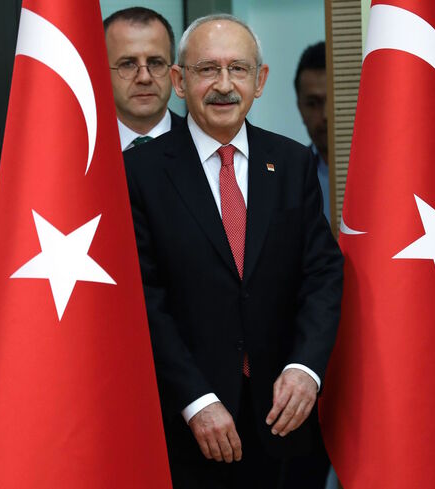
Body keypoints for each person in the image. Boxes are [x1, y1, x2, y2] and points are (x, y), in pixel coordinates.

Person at [124, 14, 343, 488]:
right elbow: (143, 300)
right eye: (207, 70)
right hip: (185, 426)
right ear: (180, 82)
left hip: (282, 421)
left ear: (259, 81)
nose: (224, 85)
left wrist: (306, 369)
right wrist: (196, 399)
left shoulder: (291, 163)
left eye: (238, 69)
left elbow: (323, 274)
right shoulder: (138, 173)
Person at [104, 7, 184, 150]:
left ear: (173, 73)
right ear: (102, 73)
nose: (144, 77)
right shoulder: (77, 149)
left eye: (155, 63)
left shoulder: (201, 144)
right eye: (128, 64)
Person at [295, 41, 331, 222]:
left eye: (333, 102)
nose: (325, 115)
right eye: (313, 104)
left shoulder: (380, 172)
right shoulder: (291, 175)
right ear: (300, 108)